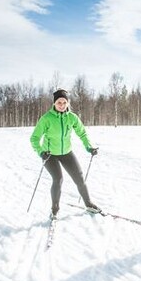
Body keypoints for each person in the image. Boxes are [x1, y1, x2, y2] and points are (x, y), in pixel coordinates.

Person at [30, 88, 101, 220]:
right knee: (58, 179)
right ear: (54, 104)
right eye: (59, 102)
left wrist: (89, 147)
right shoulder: (47, 118)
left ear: (68, 103)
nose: (62, 105)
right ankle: (54, 209)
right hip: (49, 154)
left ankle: (88, 204)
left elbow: (82, 133)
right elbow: (34, 138)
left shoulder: (72, 117)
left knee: (79, 178)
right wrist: (41, 152)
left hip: (67, 153)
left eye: (64, 102)